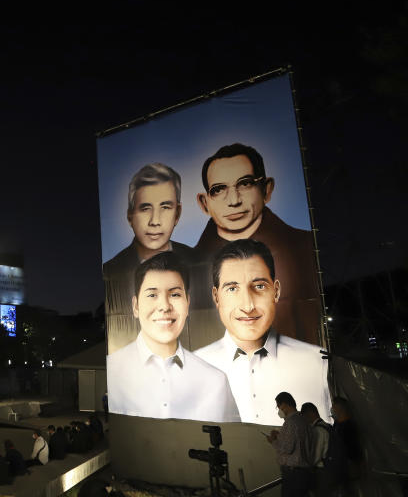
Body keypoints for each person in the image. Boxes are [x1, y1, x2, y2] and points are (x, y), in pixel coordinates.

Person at [193, 143, 320, 343]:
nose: (233, 200)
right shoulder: (187, 267)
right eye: (218, 189)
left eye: (245, 184)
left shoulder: (306, 248)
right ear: (204, 202)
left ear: (266, 189)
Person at [195, 239, 330, 426]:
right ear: (216, 297)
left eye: (259, 286)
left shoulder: (316, 362)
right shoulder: (194, 367)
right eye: (232, 289)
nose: (248, 306)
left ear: (276, 291)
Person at [106, 252, 240, 421]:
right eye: (152, 295)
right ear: (135, 306)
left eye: (175, 294)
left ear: (187, 303)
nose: (164, 306)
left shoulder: (215, 381)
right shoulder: (112, 371)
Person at [103, 163, 194, 350]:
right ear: (130, 216)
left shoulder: (199, 261)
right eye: (145, 208)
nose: (155, 221)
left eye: (165, 207)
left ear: (178, 213)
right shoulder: (110, 272)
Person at [266, 392, 312, 497]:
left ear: (285, 405)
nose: (279, 411)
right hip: (304, 472)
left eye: (278, 407)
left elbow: (287, 448)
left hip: (293, 474)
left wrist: (272, 441)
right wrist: (280, 436)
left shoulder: (290, 422)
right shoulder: (303, 419)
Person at [330, 397, 364, 497]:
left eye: (333, 406)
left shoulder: (349, 426)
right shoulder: (337, 424)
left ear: (339, 408)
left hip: (348, 466)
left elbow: (353, 448)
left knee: (349, 491)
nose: (332, 409)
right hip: (340, 467)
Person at [301, 403, 332, 497]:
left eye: (304, 417)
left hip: (322, 473)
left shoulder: (318, 430)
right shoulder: (327, 426)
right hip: (330, 468)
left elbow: (315, 456)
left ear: (310, 414)